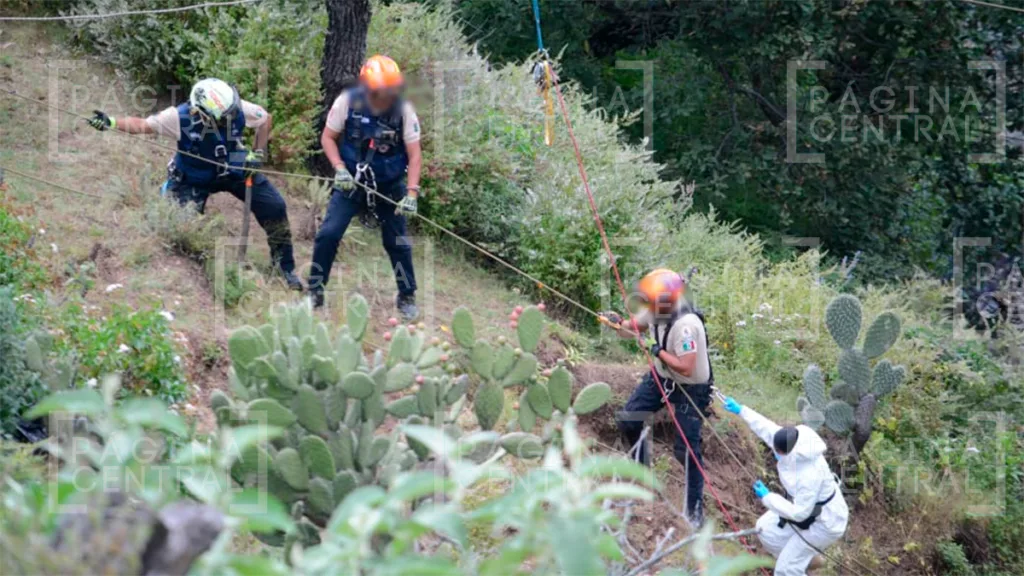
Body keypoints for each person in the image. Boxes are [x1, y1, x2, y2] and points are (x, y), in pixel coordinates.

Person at [87, 78, 302, 290]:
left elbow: (264, 119)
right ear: (203, 114)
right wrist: (111, 122)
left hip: (233, 166)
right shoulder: (177, 117)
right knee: (180, 228)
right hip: (192, 175)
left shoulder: (233, 107)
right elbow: (143, 125)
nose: (232, 117)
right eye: (224, 118)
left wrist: (257, 155)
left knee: (275, 206)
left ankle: (284, 267)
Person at [308, 55, 423, 319]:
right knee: (329, 233)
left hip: (389, 185)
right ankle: (315, 290)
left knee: (398, 242)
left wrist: (411, 193)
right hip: (352, 181)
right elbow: (328, 137)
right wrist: (338, 168)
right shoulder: (347, 102)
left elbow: (415, 154)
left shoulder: (403, 109)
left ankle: (407, 295)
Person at [602, 268, 714, 527]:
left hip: (690, 387)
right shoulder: (657, 309)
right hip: (662, 377)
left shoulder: (687, 326)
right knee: (629, 419)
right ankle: (641, 471)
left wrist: (657, 351)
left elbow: (685, 366)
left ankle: (694, 512)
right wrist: (617, 324)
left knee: (686, 450)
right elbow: (634, 326)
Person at [722, 396, 849, 576]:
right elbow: (765, 427)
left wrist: (768, 497)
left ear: (791, 454)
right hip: (806, 509)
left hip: (825, 523)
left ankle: (796, 561)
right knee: (765, 529)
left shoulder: (809, 475)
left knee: (785, 569)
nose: (776, 455)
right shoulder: (792, 440)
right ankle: (807, 559)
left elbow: (800, 513)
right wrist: (741, 410)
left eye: (779, 453)